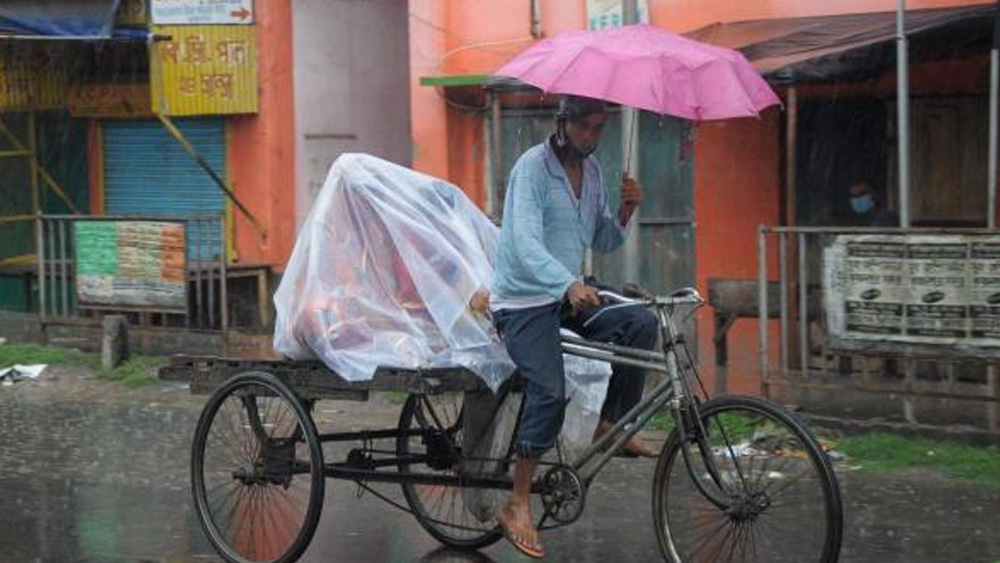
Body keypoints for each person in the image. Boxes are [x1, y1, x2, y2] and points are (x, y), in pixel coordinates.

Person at [485, 95, 660, 558]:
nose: (592, 138)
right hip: (523, 302)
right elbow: (521, 242)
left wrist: (626, 210)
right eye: (586, 128)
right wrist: (566, 284)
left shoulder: (596, 173)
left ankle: (609, 423)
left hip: (567, 294)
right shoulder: (532, 169)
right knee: (550, 390)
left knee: (640, 324)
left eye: (600, 129)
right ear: (563, 123)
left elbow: (601, 237)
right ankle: (517, 502)